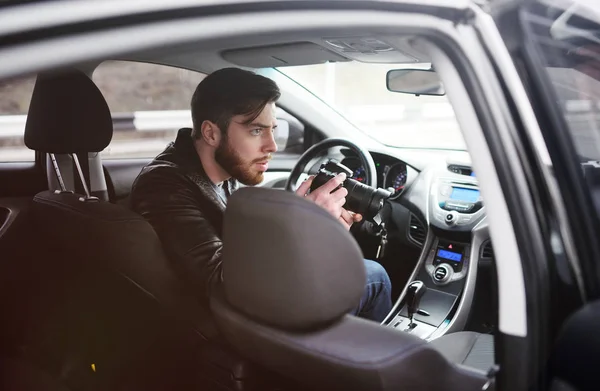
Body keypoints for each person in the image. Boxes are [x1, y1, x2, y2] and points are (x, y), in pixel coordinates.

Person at [130, 67, 392, 322]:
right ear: (211, 132)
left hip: (258, 299)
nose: (272, 146)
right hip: (236, 327)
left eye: (272, 129)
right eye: (256, 130)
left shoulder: (223, 173)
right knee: (375, 276)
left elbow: (244, 248)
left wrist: (318, 229)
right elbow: (221, 285)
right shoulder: (164, 184)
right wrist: (303, 225)